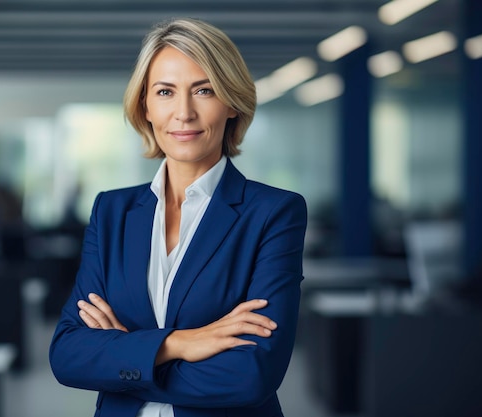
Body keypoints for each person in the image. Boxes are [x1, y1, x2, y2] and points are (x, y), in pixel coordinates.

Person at [49, 18, 307, 417]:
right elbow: (67, 354)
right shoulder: (112, 212)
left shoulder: (273, 213)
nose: (183, 113)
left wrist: (127, 356)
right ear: (145, 107)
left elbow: (251, 374)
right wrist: (181, 344)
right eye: (165, 92)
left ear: (232, 103)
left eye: (204, 90)